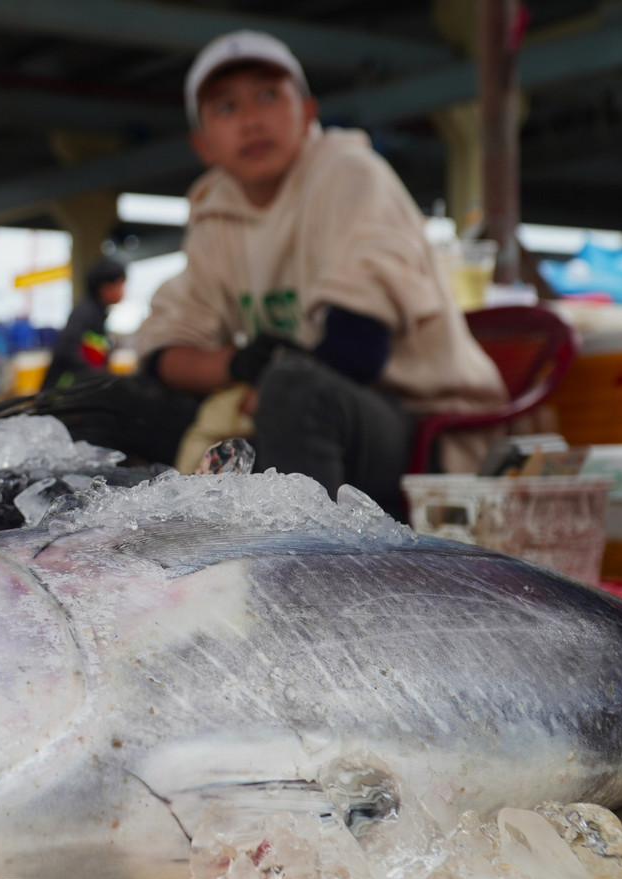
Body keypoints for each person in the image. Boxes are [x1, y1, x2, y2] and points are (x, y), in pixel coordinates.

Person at [133, 31, 506, 517]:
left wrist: (259, 389)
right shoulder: (217, 210)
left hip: (426, 427)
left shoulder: (348, 174)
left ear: (308, 112)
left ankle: (306, 583)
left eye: (268, 95)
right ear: (203, 144)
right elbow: (161, 356)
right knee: (131, 402)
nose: (250, 120)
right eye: (225, 107)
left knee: (295, 391)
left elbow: (359, 350)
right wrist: (237, 367)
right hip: (313, 425)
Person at [41, 257, 126, 391]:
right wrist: (98, 376)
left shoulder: (98, 313)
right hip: (61, 396)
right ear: (105, 287)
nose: (123, 291)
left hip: (73, 394)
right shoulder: (86, 311)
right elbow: (65, 349)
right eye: (121, 285)